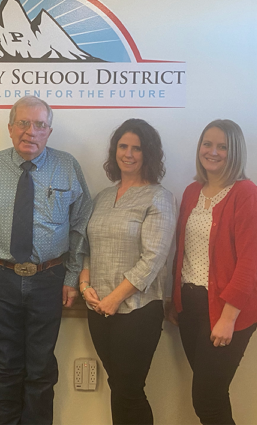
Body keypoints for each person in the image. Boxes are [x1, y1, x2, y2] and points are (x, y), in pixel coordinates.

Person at [0, 96, 92, 425]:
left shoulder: (68, 166)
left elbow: (81, 224)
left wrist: (70, 278)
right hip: (0, 278)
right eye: (23, 123)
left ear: (49, 131)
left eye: (39, 125)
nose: (30, 132)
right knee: (0, 367)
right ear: (10, 128)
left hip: (49, 280)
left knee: (40, 369)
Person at [166, 120, 257, 425]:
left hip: (225, 311)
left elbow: (249, 264)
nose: (212, 152)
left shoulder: (247, 194)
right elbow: (182, 251)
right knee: (213, 396)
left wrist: (228, 318)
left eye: (222, 146)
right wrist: (175, 300)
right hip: (190, 307)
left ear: (234, 151)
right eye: (207, 144)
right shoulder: (192, 192)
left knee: (206, 399)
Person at [79, 119, 176, 425]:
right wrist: (85, 286)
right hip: (97, 307)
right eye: (123, 146)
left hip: (137, 310)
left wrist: (114, 299)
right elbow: (87, 247)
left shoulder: (159, 197)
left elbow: (153, 258)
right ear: (114, 150)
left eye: (137, 148)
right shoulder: (103, 197)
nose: (129, 154)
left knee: (130, 389)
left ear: (149, 154)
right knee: (118, 386)